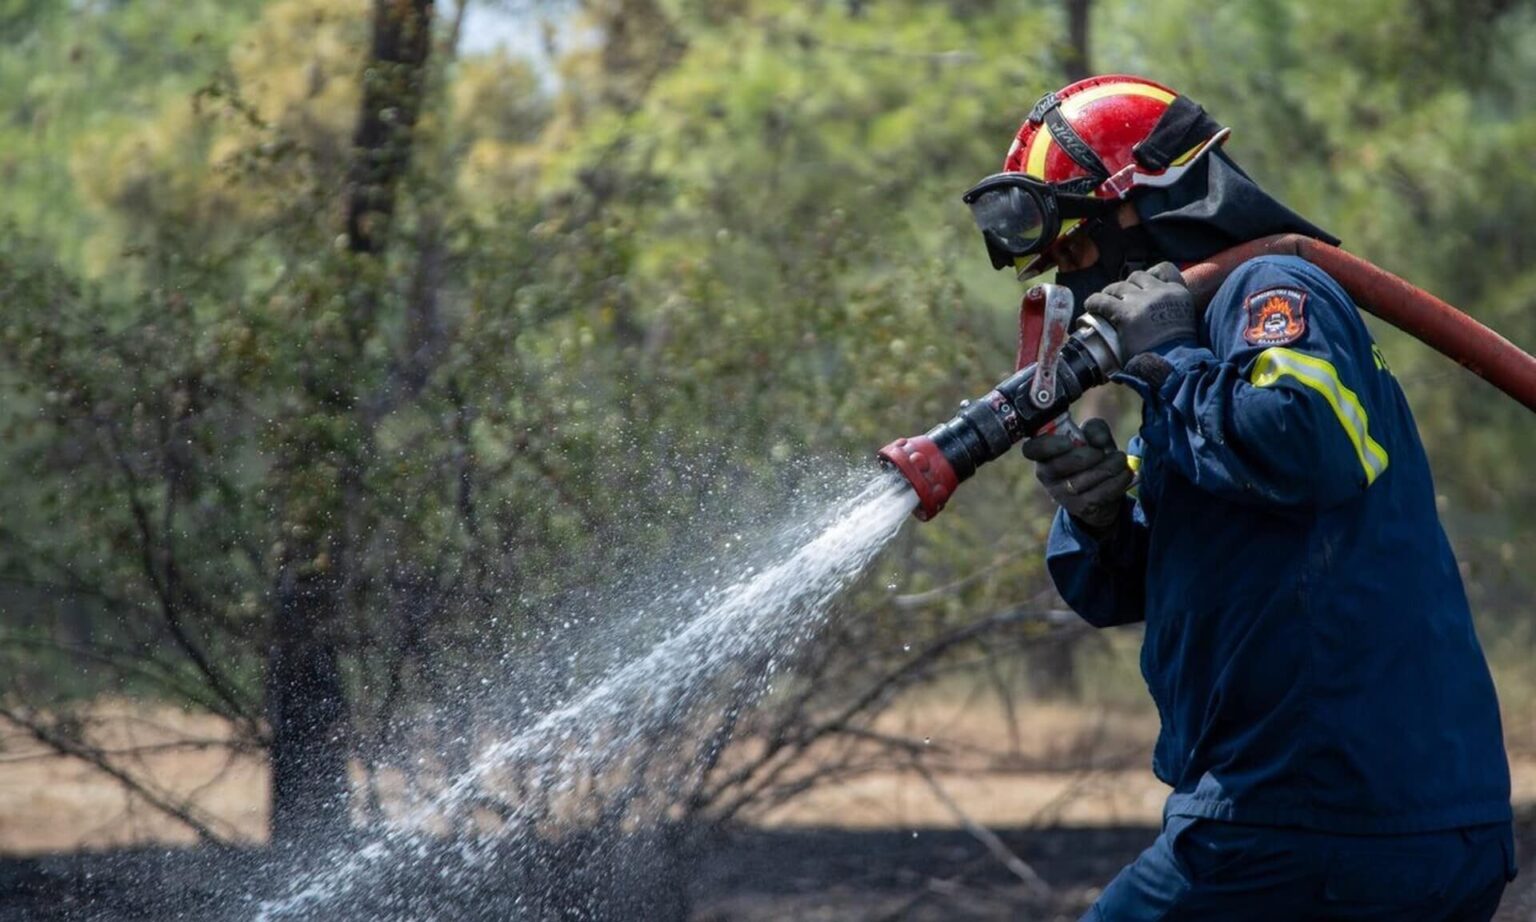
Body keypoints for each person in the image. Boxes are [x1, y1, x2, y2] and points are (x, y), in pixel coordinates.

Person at [963, 74, 1518, 920]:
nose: (1080, 282)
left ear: (1147, 210)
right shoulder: (1200, 353)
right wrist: (1105, 517)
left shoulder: (1273, 296)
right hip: (1366, 811)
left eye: (1078, 250)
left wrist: (1165, 359)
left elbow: (1309, 442)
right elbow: (1139, 585)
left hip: (1310, 815)